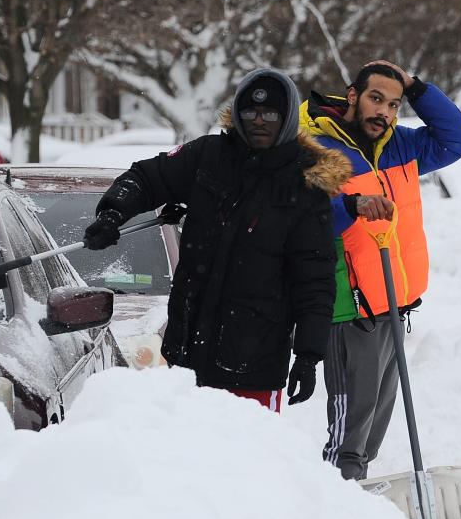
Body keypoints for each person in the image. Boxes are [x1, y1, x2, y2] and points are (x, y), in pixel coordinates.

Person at [83, 68, 351, 410]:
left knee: (244, 460)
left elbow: (314, 279)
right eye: (250, 112)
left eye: (270, 114)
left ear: (286, 120)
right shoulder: (209, 155)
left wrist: (309, 356)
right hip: (185, 354)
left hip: (254, 361)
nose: (258, 120)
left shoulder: (305, 184)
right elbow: (148, 177)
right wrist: (113, 214)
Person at [301, 60, 461, 480]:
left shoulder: (399, 146)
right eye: (376, 99)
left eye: (394, 105)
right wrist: (351, 208)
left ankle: (354, 510)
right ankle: (332, 509)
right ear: (353, 95)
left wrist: (415, 87)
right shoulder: (318, 150)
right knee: (348, 438)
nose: (384, 112)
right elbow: (309, 222)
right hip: (351, 308)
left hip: (393, 303)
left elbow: (457, 139)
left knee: (372, 431)